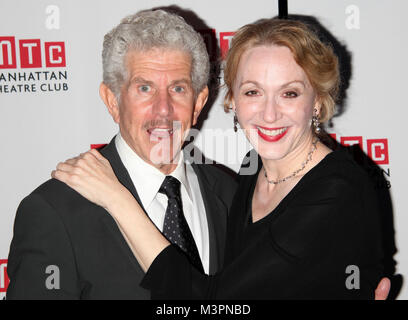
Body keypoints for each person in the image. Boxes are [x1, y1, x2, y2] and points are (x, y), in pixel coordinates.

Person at [53, 18, 390, 299]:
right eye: (253, 92)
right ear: (233, 100)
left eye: (289, 93)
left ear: (316, 101)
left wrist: (117, 199)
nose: (269, 114)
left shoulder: (337, 192)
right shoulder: (249, 174)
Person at [6, 10, 237, 299]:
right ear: (112, 101)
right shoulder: (55, 211)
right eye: (144, 88)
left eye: (178, 88)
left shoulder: (233, 197)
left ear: (199, 102)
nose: (163, 110)